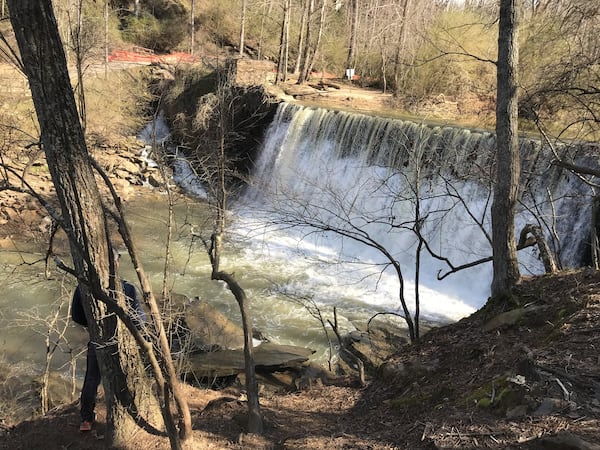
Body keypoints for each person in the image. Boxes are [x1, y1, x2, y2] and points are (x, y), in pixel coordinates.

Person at [71, 249, 146, 432]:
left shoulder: (83, 287)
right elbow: (139, 320)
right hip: (122, 343)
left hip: (97, 340)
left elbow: (76, 316)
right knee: (128, 377)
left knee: (91, 379)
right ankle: (133, 414)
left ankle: (86, 420)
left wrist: (91, 325)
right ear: (116, 264)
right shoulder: (126, 288)